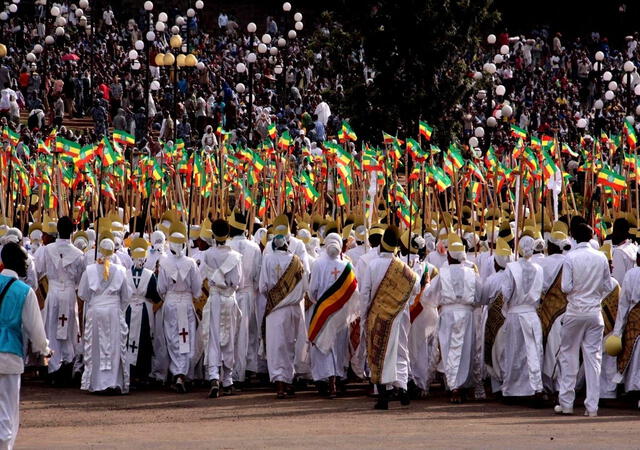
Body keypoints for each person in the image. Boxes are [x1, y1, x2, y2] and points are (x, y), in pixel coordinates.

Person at [555, 223, 615, 417]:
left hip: (575, 310)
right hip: (594, 312)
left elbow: (565, 287)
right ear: (591, 237)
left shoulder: (570, 257)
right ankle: (592, 407)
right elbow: (608, 285)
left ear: (572, 237)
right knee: (593, 359)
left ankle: (566, 404)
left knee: (568, 356)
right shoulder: (601, 258)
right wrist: (593, 293)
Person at [360, 226, 420, 410]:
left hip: (378, 316)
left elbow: (364, 294)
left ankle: (383, 394)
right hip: (399, 316)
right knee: (400, 351)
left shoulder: (373, 265)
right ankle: (402, 389)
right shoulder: (404, 268)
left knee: (378, 353)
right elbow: (416, 288)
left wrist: (364, 316)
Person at [0, 243, 50, 450]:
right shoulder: (24, 291)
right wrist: (45, 350)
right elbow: (36, 330)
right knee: (7, 412)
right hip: (9, 355)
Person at [423, 233, 480, 403]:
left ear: (449, 255)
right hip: (467, 315)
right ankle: (460, 386)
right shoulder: (472, 274)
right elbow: (482, 295)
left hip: (448, 315)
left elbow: (427, 296)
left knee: (450, 352)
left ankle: (454, 386)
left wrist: (427, 286)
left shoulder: (442, 274)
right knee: (465, 352)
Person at [77, 235, 132, 394]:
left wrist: (97, 301)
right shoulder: (121, 270)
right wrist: (116, 306)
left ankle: (98, 383)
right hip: (114, 310)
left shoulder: (90, 270)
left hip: (96, 310)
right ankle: (113, 382)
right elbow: (126, 296)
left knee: (95, 346)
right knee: (114, 346)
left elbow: (83, 293)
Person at [34, 216, 85, 381]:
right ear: (73, 231)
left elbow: (39, 271)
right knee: (69, 328)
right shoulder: (79, 254)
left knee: (51, 327)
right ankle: (67, 364)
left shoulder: (46, 250)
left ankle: (52, 366)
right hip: (69, 293)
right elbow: (80, 280)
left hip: (54, 291)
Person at [307, 233, 358, 398]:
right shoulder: (347, 265)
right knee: (338, 346)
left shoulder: (318, 264)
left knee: (323, 346)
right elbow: (354, 291)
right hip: (340, 314)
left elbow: (312, 289)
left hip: (323, 312)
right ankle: (337, 378)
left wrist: (319, 302)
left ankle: (327, 381)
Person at [155, 223, 202, 392]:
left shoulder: (164, 262)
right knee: (186, 338)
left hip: (171, 303)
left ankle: (178, 373)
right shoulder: (191, 263)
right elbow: (197, 288)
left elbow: (160, 288)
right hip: (186, 303)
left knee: (173, 338)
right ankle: (183, 373)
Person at [259, 233, 307, 398]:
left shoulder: (268, 259)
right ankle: (287, 382)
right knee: (290, 345)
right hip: (293, 309)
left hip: (276, 309)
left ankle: (280, 385)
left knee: (276, 346)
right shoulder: (297, 261)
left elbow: (263, 286)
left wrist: (275, 298)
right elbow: (303, 288)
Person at [201, 219, 243, 398]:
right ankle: (227, 380)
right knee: (229, 338)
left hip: (215, 298)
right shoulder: (234, 256)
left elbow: (204, 275)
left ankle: (213, 376)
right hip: (229, 298)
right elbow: (237, 281)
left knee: (213, 338)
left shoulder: (208, 254)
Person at [499, 236, 544, 398]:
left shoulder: (511, 268)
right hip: (531, 315)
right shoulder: (539, 269)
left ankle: (514, 389)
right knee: (532, 352)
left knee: (514, 352)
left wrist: (508, 307)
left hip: (516, 315)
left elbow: (506, 292)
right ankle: (534, 388)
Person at [226, 210, 262, 384]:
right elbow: (257, 276)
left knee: (233, 334)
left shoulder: (226, 246)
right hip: (247, 294)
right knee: (247, 333)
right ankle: (247, 368)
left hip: (232, 294)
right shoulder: (254, 247)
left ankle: (235, 372)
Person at [125, 238, 162, 384]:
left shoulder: (126, 273)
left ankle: (130, 372)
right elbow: (155, 294)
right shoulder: (149, 275)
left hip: (129, 310)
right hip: (144, 311)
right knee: (144, 340)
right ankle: (142, 374)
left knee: (130, 340)